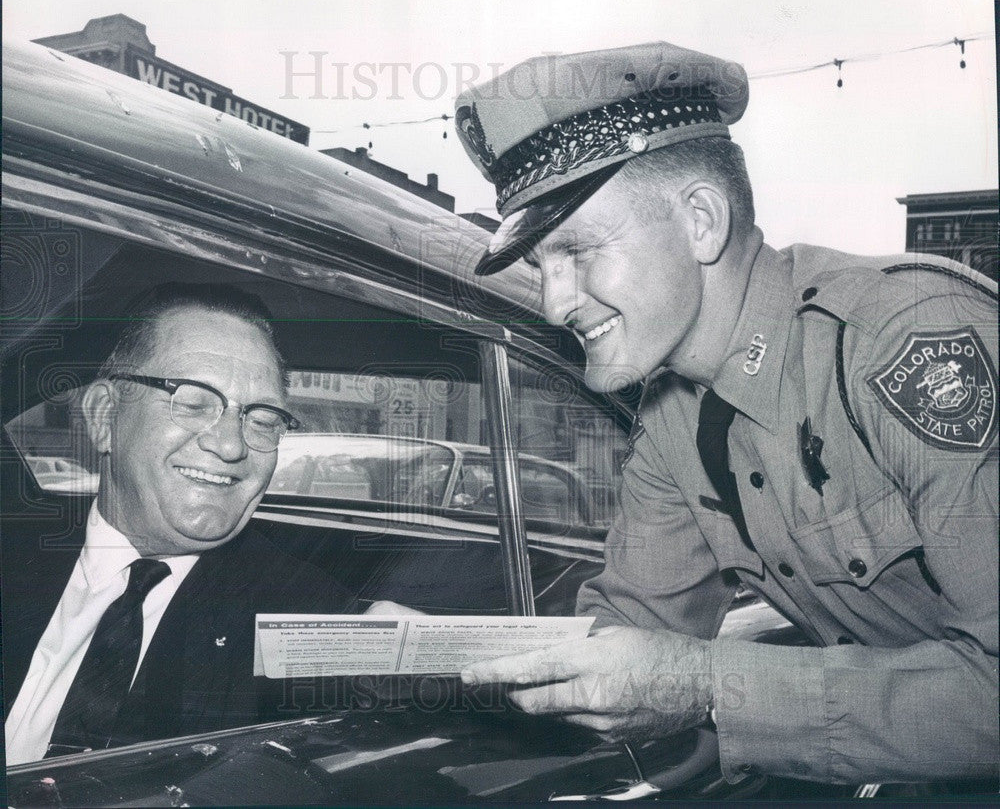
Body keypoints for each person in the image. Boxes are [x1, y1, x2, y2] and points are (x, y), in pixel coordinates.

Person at [452, 41, 998, 786]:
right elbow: (636, 635)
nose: (553, 303)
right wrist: (441, 656)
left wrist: (710, 683)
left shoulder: (906, 345)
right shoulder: (673, 415)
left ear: (702, 221)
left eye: (577, 252)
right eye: (538, 265)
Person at [4, 284, 355, 765]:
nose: (231, 446)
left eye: (263, 418)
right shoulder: (13, 552)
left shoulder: (306, 614)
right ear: (105, 415)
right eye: (193, 403)